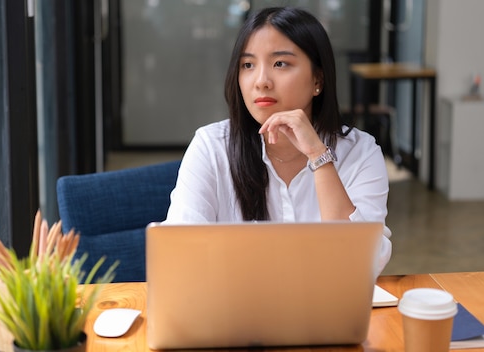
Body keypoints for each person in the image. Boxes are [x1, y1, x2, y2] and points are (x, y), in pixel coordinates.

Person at [165, 6, 391, 274]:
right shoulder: (211, 147)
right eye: (248, 65)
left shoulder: (361, 152)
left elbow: (362, 264)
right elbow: (180, 256)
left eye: (280, 63)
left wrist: (319, 156)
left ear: (318, 79)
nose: (261, 81)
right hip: (235, 312)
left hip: (325, 312)